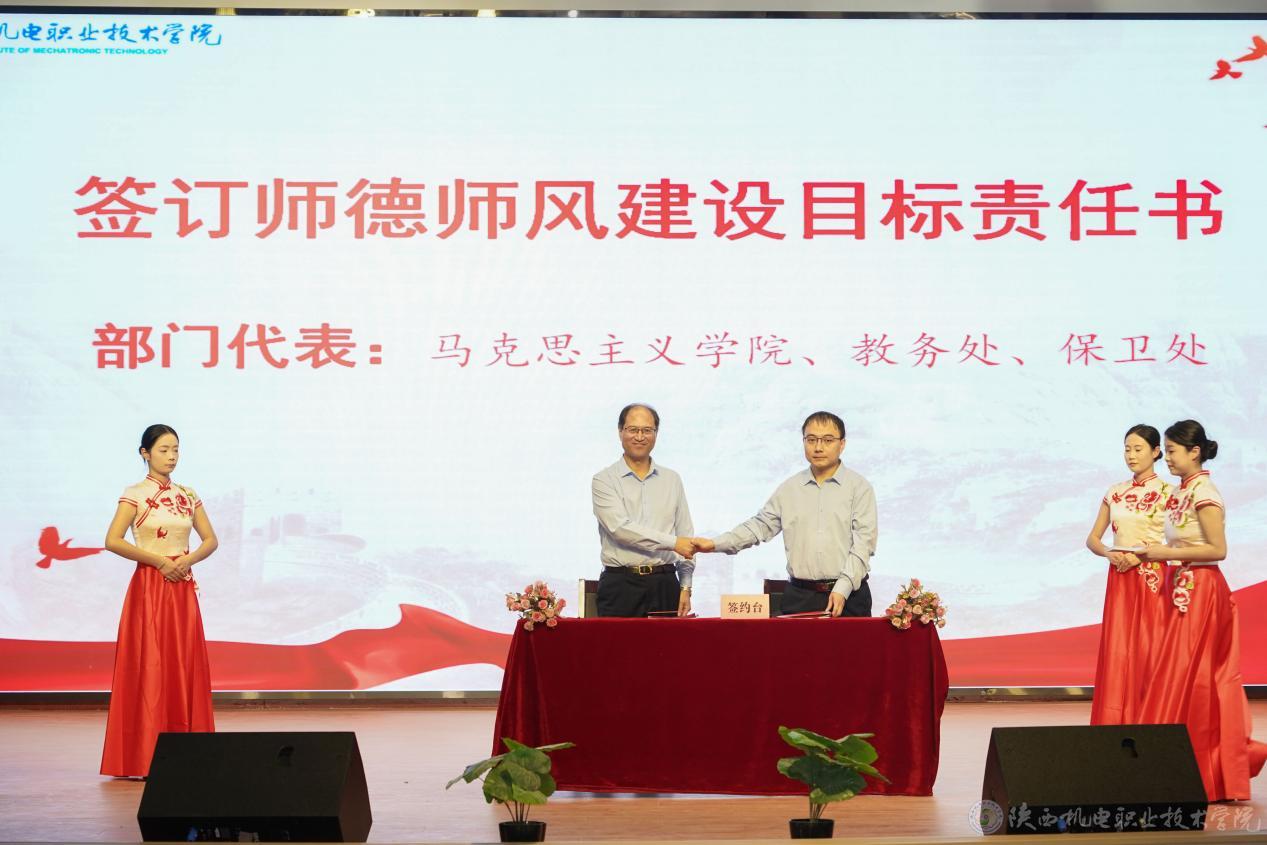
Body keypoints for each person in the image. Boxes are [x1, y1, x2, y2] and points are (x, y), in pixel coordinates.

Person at [1136, 420, 1266, 801]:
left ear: (1195, 452)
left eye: (1172, 451)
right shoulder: (1183, 491)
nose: (1167, 458)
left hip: (1203, 589)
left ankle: (1206, 769)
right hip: (1183, 586)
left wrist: (1165, 553)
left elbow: (1218, 550)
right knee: (1179, 674)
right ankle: (1178, 763)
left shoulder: (1205, 492)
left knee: (1198, 678)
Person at [100, 424, 218, 777]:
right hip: (150, 586)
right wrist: (159, 562)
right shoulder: (134, 494)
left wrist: (186, 561)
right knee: (150, 665)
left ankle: (187, 756)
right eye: (164, 450)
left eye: (176, 450)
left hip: (181, 585)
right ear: (145, 453)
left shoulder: (188, 494)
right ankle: (143, 757)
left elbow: (210, 540)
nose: (172, 457)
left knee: (183, 663)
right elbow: (113, 540)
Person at [698, 411, 876, 617]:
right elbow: (759, 526)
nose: (818, 447)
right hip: (800, 597)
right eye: (811, 440)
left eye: (828, 440)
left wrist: (843, 587)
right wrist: (714, 544)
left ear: (842, 444)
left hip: (850, 597)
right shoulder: (789, 489)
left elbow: (864, 544)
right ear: (803, 442)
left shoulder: (859, 488)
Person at [1084, 424, 1171, 725]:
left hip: (1152, 576)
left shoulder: (1169, 493)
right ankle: (1114, 723)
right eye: (1127, 449)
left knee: (1149, 649)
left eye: (1138, 449)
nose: (1131, 455)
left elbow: (1176, 542)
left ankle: (1150, 722)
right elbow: (1093, 539)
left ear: (1156, 452)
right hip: (1119, 575)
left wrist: (1139, 556)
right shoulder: (1115, 492)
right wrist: (1109, 553)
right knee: (1118, 650)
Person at [591, 404, 702, 618]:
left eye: (647, 430)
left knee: (668, 642)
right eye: (633, 429)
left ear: (656, 433)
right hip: (620, 586)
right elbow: (620, 529)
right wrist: (673, 543)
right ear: (620, 432)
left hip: (665, 583)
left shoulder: (672, 479)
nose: (640, 437)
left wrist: (685, 585)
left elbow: (685, 534)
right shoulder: (604, 480)